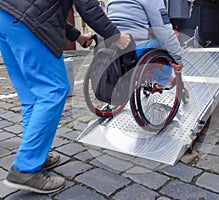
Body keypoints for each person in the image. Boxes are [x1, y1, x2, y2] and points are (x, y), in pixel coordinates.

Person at [0, 0, 131, 194]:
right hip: (28, 23)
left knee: (32, 97)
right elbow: (87, 5)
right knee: (53, 90)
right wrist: (115, 36)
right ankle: (25, 168)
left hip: (5, 17)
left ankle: (36, 154)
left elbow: (48, 7)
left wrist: (77, 36)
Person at [106, 0, 184, 86]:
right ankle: (163, 80)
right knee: (163, 44)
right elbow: (164, 31)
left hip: (112, 47)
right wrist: (178, 59)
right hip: (135, 49)